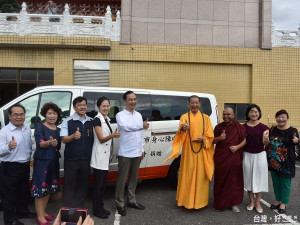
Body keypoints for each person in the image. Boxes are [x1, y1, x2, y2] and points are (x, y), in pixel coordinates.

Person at [163, 95, 214, 209]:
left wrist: (204, 139)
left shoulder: (206, 118)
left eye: (196, 103)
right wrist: (183, 128)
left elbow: (210, 135)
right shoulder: (184, 117)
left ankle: (200, 202)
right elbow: (180, 131)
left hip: (201, 151)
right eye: (192, 103)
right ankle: (186, 201)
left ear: (199, 104)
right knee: (188, 175)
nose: (194, 105)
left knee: (201, 176)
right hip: (188, 152)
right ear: (188, 104)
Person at [0, 104, 36, 225]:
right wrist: (8, 147)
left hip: (24, 166)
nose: (19, 117)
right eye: (15, 114)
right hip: (10, 167)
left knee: (23, 191)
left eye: (21, 114)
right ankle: (10, 220)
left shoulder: (26, 129)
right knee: (9, 196)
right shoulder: (4, 132)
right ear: (9, 116)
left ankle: (22, 212)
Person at [115, 91, 149, 216]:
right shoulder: (120, 115)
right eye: (130, 99)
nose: (133, 101)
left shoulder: (138, 115)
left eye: (134, 99)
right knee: (122, 180)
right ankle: (119, 203)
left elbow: (141, 135)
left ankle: (132, 200)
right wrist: (142, 125)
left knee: (134, 179)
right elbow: (126, 127)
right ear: (125, 101)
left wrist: (142, 150)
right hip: (125, 152)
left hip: (136, 152)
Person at [31, 103, 62, 225]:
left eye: (54, 113)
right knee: (40, 188)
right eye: (49, 113)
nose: (52, 116)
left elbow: (58, 146)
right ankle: (39, 216)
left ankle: (43, 212)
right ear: (45, 114)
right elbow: (40, 143)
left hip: (53, 161)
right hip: (42, 161)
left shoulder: (58, 130)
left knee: (48, 188)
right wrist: (49, 142)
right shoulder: (39, 127)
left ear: (57, 115)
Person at [60, 96, 94, 208]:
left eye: (84, 105)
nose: (82, 107)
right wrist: (73, 136)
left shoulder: (91, 121)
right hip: (71, 159)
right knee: (69, 184)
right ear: (75, 107)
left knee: (83, 184)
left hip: (86, 158)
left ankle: (79, 207)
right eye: (79, 105)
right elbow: (64, 139)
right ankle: (68, 209)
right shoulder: (68, 121)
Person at [91, 97, 120, 219]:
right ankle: (96, 210)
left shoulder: (106, 119)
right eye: (103, 106)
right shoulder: (97, 120)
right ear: (98, 107)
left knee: (103, 184)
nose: (106, 108)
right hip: (99, 157)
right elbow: (101, 139)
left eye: (108, 106)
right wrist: (113, 135)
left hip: (105, 157)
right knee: (98, 185)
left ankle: (101, 206)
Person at [213, 107, 246, 212]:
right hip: (221, 158)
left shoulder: (238, 127)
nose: (226, 116)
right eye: (224, 114)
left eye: (228, 114)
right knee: (220, 181)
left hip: (234, 157)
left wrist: (237, 147)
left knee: (234, 181)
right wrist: (219, 138)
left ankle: (234, 204)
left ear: (234, 115)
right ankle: (220, 204)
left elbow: (245, 140)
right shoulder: (218, 127)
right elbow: (212, 141)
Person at [266, 109, 298, 214]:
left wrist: (296, 141)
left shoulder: (292, 130)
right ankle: (278, 200)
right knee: (276, 183)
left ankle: (283, 203)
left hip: (286, 163)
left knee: (285, 184)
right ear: (276, 118)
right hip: (273, 161)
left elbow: (296, 140)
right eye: (279, 117)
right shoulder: (273, 129)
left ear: (287, 118)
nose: (281, 119)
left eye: (283, 117)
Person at [243, 104, 269, 214]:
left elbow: (266, 144)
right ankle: (251, 202)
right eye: (251, 111)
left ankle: (258, 203)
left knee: (260, 179)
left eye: (256, 111)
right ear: (248, 114)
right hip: (247, 155)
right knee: (248, 179)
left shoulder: (264, 127)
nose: (254, 113)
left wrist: (265, 139)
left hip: (260, 155)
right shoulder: (243, 127)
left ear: (259, 113)